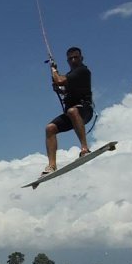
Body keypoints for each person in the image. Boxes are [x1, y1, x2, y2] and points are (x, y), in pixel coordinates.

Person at [42, 46, 93, 175]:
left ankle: (85, 149)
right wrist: (59, 90)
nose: (73, 60)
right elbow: (62, 86)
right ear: (68, 61)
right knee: (50, 128)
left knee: (72, 111)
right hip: (72, 115)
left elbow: (59, 80)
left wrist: (54, 70)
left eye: (76, 57)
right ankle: (51, 166)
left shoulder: (83, 71)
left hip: (85, 111)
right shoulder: (70, 76)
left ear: (81, 58)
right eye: (70, 58)